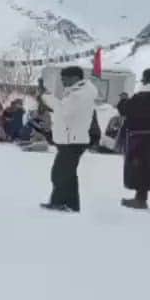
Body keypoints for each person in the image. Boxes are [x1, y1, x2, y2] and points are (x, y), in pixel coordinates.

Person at [37, 66, 97, 212]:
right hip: (72, 139)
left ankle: (59, 203)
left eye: (65, 79)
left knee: (60, 174)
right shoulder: (79, 92)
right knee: (68, 174)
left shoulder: (80, 94)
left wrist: (45, 96)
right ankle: (70, 204)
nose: (63, 82)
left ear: (75, 78)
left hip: (73, 140)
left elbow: (63, 110)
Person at [121, 69, 150, 210]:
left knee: (138, 167)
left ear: (146, 80)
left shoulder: (141, 97)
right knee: (147, 167)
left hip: (138, 138)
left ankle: (140, 200)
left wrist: (123, 100)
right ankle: (141, 198)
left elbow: (125, 109)